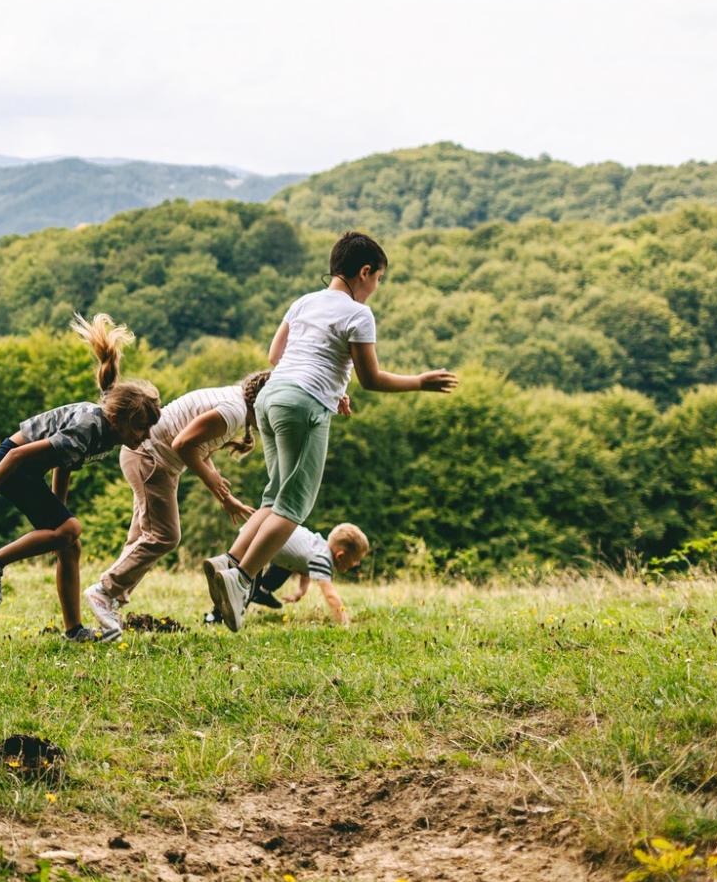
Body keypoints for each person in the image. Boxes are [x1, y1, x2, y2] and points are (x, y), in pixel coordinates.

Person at [205, 232, 457, 632]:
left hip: (270, 398)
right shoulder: (358, 313)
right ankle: (242, 578)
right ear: (365, 272)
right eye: (378, 279)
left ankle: (230, 561)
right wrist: (420, 382)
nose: (376, 287)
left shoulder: (304, 302)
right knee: (293, 507)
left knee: (275, 495)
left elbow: (276, 355)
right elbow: (371, 379)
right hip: (304, 405)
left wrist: (332, 385)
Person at [0, 314, 161, 641]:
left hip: (27, 470)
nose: (145, 436)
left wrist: (56, 522)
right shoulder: (89, 428)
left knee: (70, 543)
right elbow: (15, 455)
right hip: (11, 466)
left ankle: (74, 630)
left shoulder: (106, 435)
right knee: (71, 529)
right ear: (120, 420)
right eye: (141, 428)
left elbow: (63, 465)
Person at [87, 371, 270, 634]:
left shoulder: (234, 404)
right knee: (165, 536)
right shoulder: (233, 412)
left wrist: (226, 497)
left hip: (155, 459)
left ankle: (110, 599)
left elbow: (198, 447)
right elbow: (182, 444)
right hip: (150, 457)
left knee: (141, 539)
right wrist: (212, 481)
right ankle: (104, 591)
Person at [209, 522, 368, 628]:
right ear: (340, 556)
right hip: (257, 539)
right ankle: (216, 617)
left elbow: (305, 570)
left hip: (262, 534)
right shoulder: (323, 558)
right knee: (244, 588)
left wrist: (301, 591)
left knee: (285, 567)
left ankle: (262, 591)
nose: (357, 564)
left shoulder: (318, 548)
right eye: (356, 560)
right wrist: (344, 622)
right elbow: (331, 595)